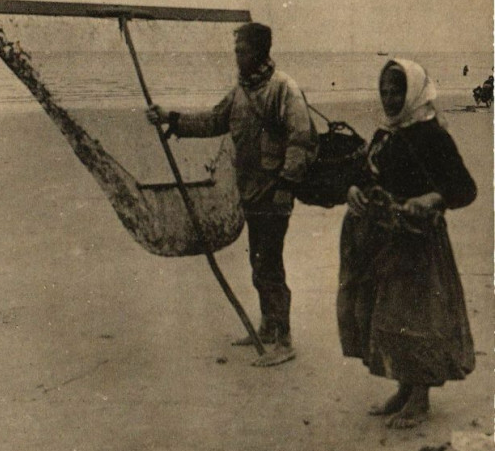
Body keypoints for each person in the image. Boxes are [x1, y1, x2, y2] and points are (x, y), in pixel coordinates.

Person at [146, 22, 318, 367]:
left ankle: (284, 340)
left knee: (269, 265)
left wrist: (286, 186)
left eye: (241, 50)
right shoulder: (241, 91)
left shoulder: (283, 89)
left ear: (258, 52)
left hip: (275, 194)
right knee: (259, 261)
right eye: (236, 50)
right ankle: (268, 327)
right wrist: (172, 119)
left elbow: (301, 139)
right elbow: (213, 121)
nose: (236, 56)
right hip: (251, 193)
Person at [337, 58, 477, 428]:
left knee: (415, 318)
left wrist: (432, 199)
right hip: (384, 238)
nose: (389, 98)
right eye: (384, 91)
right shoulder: (387, 132)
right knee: (387, 316)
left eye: (396, 91)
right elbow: (367, 173)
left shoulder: (431, 134)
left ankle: (419, 399)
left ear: (412, 91)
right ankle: (403, 388)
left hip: (419, 243)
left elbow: (464, 189)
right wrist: (355, 189)